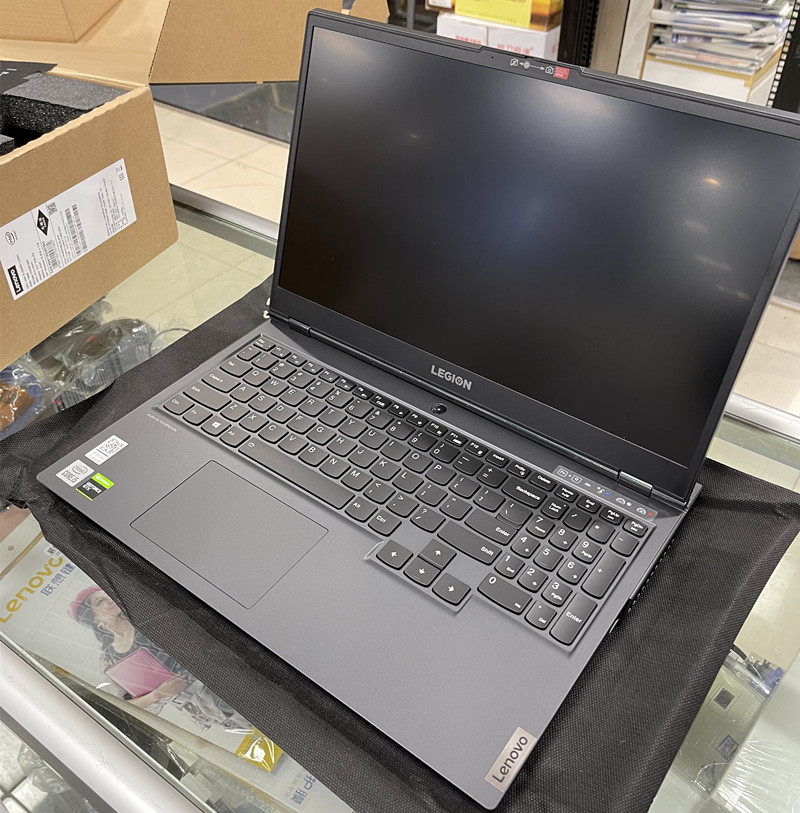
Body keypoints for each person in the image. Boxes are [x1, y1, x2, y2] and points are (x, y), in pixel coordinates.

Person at [69, 585, 249, 730]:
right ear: (92, 618)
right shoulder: (110, 659)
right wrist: (158, 694)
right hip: (207, 705)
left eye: (107, 594)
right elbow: (126, 706)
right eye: (100, 602)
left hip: (227, 674)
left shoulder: (146, 617)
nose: (109, 600)